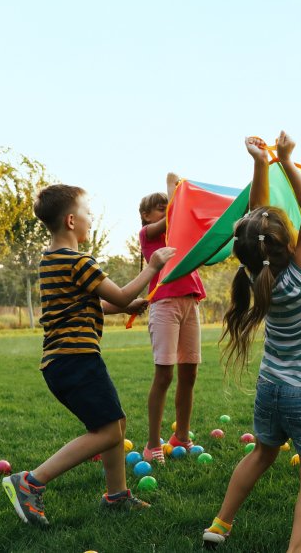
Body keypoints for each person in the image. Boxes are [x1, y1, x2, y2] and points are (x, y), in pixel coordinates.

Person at [2, 184, 175, 526]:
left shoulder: (52, 261)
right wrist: (153, 265)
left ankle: (116, 495)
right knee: (110, 432)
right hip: (77, 358)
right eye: (87, 213)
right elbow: (123, 295)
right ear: (70, 220)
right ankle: (30, 481)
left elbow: (94, 304)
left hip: (63, 361)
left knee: (115, 423)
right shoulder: (78, 261)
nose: (90, 219)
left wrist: (125, 305)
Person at [202, 133, 301, 551]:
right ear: (286, 243)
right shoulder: (300, 273)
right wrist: (287, 161)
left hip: (270, 388)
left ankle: (220, 525)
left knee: (261, 454)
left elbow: (255, 219)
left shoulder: (257, 281)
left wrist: (262, 163)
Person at [136, 173, 206, 465]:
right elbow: (172, 218)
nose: (166, 207)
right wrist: (173, 190)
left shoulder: (179, 231)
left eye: (168, 203)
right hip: (164, 305)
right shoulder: (148, 235)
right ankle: (153, 443)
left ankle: (182, 436)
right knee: (164, 375)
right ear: (145, 215)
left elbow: (195, 226)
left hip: (190, 302)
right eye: (159, 206)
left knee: (189, 373)